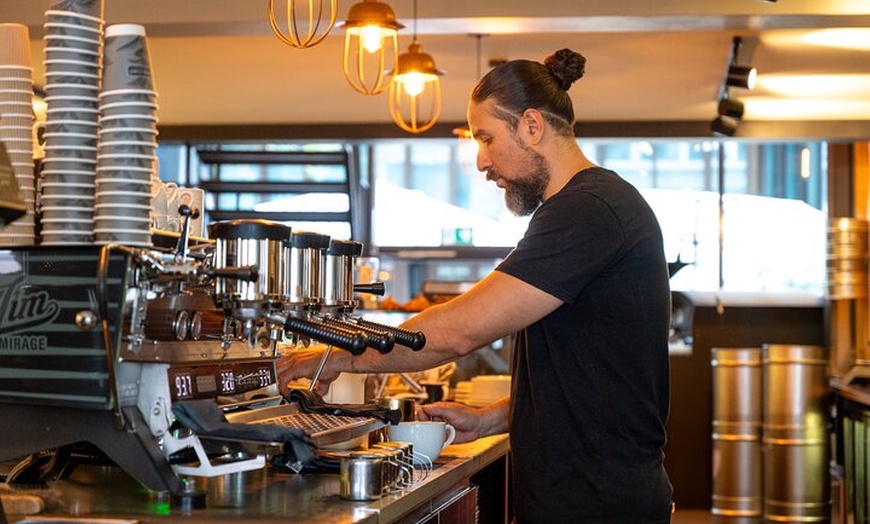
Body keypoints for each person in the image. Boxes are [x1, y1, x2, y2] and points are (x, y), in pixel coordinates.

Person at [277, 48, 673, 523]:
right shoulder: (587, 207)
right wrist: (494, 418)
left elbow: (455, 333)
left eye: (486, 138)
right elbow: (595, 383)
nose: (482, 162)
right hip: (589, 494)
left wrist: (335, 354)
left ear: (531, 125)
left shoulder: (587, 211)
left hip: (596, 502)